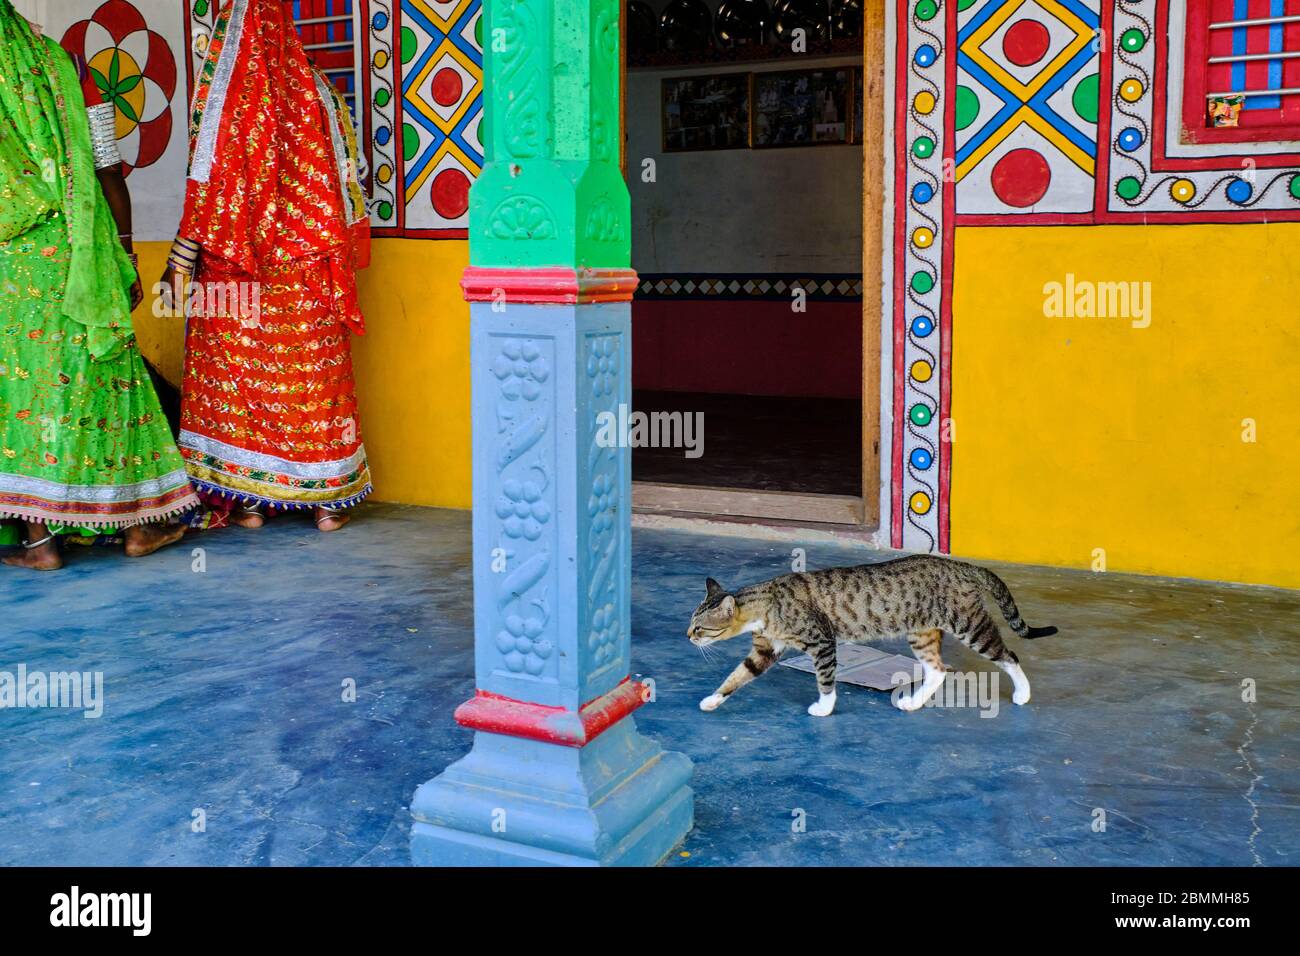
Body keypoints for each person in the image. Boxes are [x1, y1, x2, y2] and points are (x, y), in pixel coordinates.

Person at [0, 2, 198, 571]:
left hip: (10, 264)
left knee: (23, 397)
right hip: (77, 249)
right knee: (105, 379)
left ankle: (40, 544)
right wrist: (126, 253)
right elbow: (107, 168)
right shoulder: (62, 66)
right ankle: (138, 529)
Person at [162, 0, 372, 533]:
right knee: (311, 392)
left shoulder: (223, 100)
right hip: (307, 275)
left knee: (238, 387)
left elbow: (207, 194)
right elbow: (350, 186)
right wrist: (343, 267)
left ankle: (249, 502)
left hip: (237, 281)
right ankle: (327, 503)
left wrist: (179, 266)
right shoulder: (322, 92)